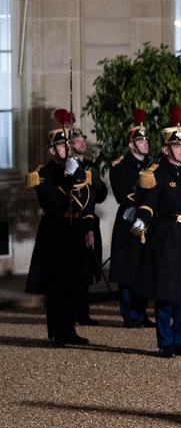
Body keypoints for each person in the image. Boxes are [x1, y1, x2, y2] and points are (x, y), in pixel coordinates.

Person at [130, 105, 181, 358]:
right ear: (166, 149)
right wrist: (142, 220)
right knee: (167, 292)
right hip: (168, 235)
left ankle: (180, 340)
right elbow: (148, 201)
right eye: (176, 146)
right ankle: (165, 341)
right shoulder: (157, 173)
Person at [25, 109, 95, 346]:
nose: (67, 149)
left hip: (74, 227)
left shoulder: (76, 169)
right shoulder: (42, 173)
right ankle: (56, 331)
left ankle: (70, 328)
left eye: (68, 144)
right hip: (54, 230)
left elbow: (86, 200)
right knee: (56, 283)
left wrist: (87, 227)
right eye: (63, 146)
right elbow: (51, 201)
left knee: (74, 280)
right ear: (52, 150)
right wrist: (67, 178)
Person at [109, 109, 153, 328]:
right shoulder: (120, 167)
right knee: (128, 268)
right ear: (131, 144)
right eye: (140, 140)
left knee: (144, 267)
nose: (145, 143)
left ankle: (141, 312)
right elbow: (123, 195)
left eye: (146, 140)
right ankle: (130, 314)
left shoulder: (151, 166)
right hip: (129, 221)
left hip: (146, 221)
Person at [67, 111, 107, 326]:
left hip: (91, 221)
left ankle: (83, 313)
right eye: (76, 140)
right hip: (75, 222)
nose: (81, 143)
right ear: (71, 145)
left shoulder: (91, 166)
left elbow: (100, 196)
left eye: (82, 139)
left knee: (88, 270)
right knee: (75, 270)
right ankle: (73, 313)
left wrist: (96, 182)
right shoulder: (68, 167)